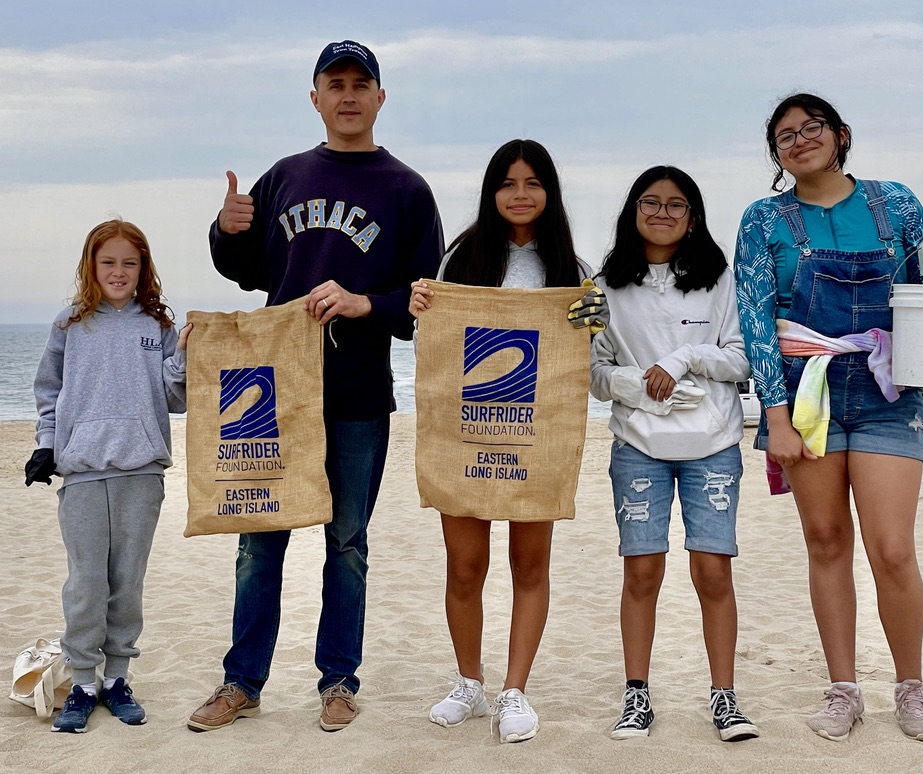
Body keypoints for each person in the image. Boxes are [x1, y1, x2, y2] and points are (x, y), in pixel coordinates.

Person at [187, 40, 444, 733]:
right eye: (336, 83)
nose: (349, 94)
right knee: (258, 540)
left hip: (358, 393)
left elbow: (429, 300)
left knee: (347, 545)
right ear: (315, 98)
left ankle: (338, 682)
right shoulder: (284, 177)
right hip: (274, 391)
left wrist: (368, 303)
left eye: (362, 83)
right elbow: (244, 269)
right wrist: (224, 229)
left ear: (380, 98)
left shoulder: (406, 190)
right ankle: (241, 683)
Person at [735, 93, 923, 743]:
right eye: (783, 136)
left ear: (839, 135)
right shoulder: (762, 219)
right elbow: (755, 319)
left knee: (892, 549)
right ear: (777, 155)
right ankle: (843, 689)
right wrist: (774, 417)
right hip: (804, 391)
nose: (798, 140)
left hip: (885, 389)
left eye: (810, 127)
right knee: (826, 542)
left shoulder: (893, 203)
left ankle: (909, 687)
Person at [409, 138, 606, 743]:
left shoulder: (573, 271)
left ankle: (514, 689)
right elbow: (435, 356)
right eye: (507, 184)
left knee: (529, 563)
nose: (520, 196)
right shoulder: (459, 260)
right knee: (465, 567)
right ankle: (469, 682)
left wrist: (595, 324)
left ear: (550, 192)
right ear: (492, 193)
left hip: (533, 438)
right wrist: (420, 308)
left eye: (533, 183)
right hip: (467, 434)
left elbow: (588, 365)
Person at [589, 166, 759, 742]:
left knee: (712, 570)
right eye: (651, 202)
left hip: (712, 444)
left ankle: (725, 696)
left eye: (676, 205)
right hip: (638, 444)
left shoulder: (719, 280)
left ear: (693, 216)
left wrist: (686, 357)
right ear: (633, 210)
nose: (662, 213)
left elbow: (742, 359)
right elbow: (595, 372)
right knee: (642, 570)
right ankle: (637, 695)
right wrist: (636, 384)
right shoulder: (606, 285)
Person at [27, 219, 189, 733]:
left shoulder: (159, 326)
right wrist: (46, 446)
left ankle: (117, 679)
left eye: (129, 262)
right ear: (90, 266)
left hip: (141, 471)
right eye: (108, 262)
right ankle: (81, 682)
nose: (118, 272)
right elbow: (48, 391)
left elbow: (176, 400)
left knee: (126, 582)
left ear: (143, 269)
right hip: (80, 472)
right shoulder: (69, 325)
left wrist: (182, 357)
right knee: (86, 583)